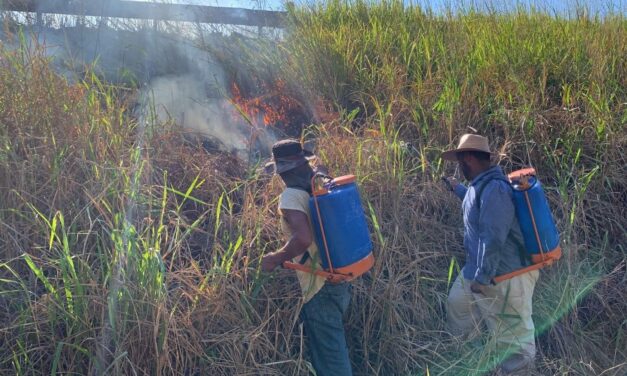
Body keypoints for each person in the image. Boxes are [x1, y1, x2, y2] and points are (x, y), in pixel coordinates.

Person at [442, 134, 539, 375]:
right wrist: (456, 187)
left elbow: (493, 236)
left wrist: (483, 277)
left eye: (460, 160)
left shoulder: (495, 188)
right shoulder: (480, 185)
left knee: (515, 341)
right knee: (458, 306)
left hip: (507, 274)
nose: (459, 166)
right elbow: (476, 207)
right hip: (478, 270)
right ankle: (478, 365)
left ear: (470, 158)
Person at [261, 139, 353, 376]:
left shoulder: (291, 195)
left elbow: (302, 238)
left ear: (283, 170)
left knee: (332, 363)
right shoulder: (320, 182)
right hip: (341, 276)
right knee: (335, 348)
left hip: (319, 284)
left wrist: (275, 257)